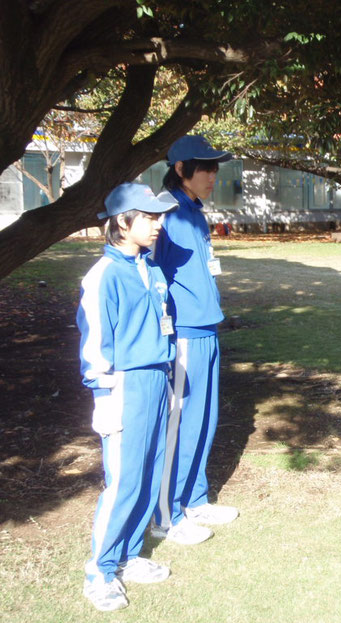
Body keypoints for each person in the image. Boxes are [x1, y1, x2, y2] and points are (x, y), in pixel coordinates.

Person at [77, 183, 179, 611]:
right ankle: (100, 571)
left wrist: (169, 379)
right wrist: (103, 394)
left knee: (151, 471)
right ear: (122, 222)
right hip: (124, 386)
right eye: (149, 217)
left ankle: (130, 554)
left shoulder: (151, 269)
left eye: (159, 216)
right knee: (124, 481)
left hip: (157, 379)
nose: (158, 224)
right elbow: (95, 341)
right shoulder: (103, 275)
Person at [151, 135, 238, 546]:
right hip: (184, 335)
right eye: (205, 167)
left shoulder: (194, 214)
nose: (213, 174)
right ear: (182, 169)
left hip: (207, 331)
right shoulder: (164, 214)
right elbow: (152, 279)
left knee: (205, 419)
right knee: (179, 424)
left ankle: (195, 498)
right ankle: (165, 515)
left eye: (216, 167)